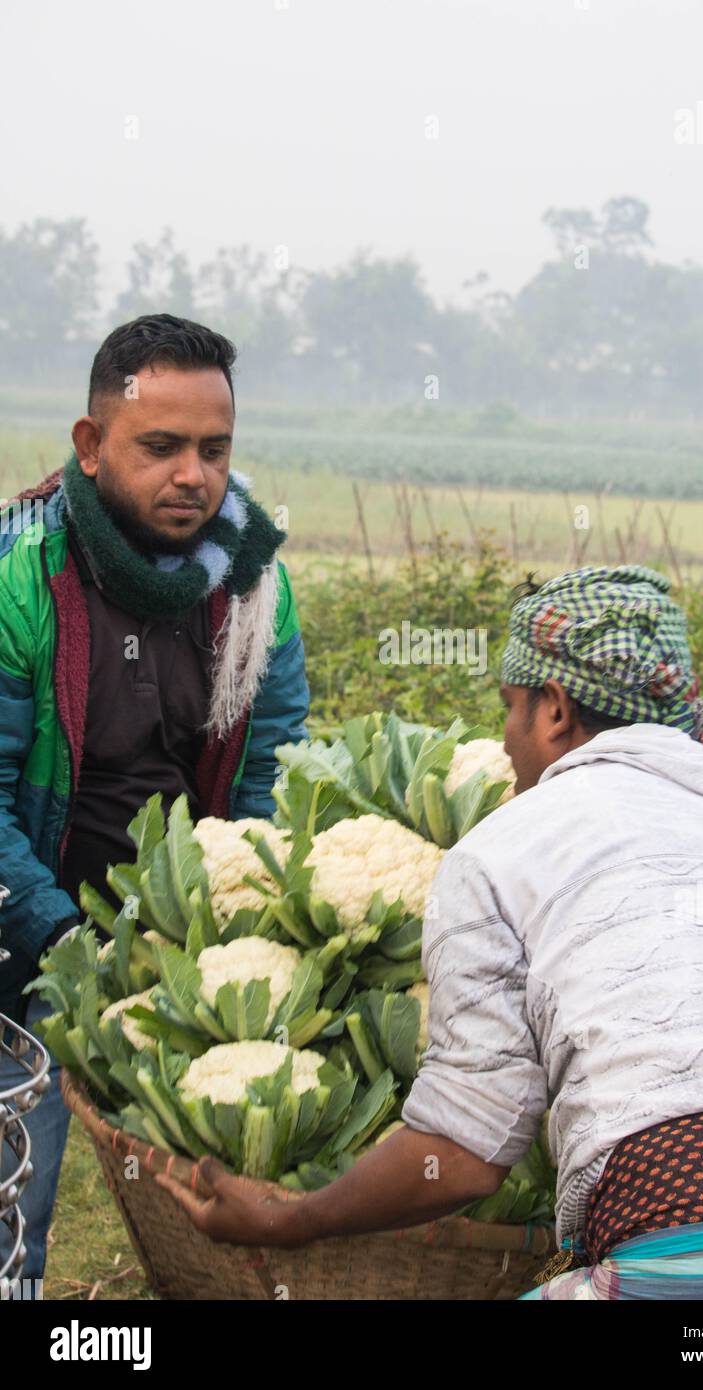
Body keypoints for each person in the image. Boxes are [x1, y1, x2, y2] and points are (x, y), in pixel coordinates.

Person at [160, 564, 703, 1300]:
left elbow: (464, 1153)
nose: (502, 742)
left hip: (681, 1245)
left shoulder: (500, 852)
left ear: (554, 711)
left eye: (509, 708)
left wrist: (293, 1219)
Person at [0, 313, 311, 1281]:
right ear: (91, 447)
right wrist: (65, 947)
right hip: (27, 941)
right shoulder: (22, 576)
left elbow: (270, 776)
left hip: (181, 947)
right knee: (16, 1192)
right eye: (161, 446)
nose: (192, 474)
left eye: (213, 449)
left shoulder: (255, 586)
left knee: (224, 1212)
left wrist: (222, 933)